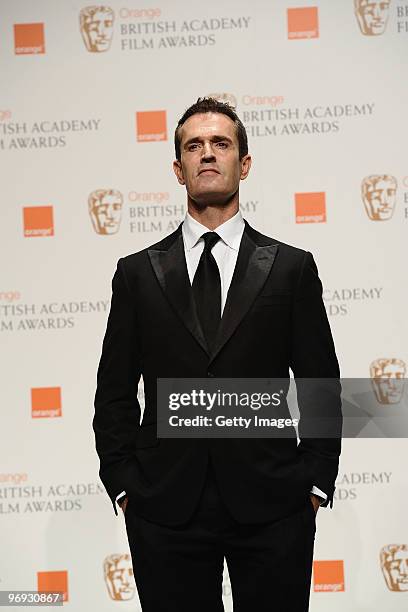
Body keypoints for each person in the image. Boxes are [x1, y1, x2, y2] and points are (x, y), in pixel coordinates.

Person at [93, 97, 342, 611]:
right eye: (194, 145)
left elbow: (320, 382)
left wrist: (314, 481)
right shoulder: (137, 274)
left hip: (274, 506)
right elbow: (114, 390)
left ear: (243, 164)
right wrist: (124, 484)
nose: (207, 153)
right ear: (178, 169)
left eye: (221, 143)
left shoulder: (292, 269)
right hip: (164, 507)